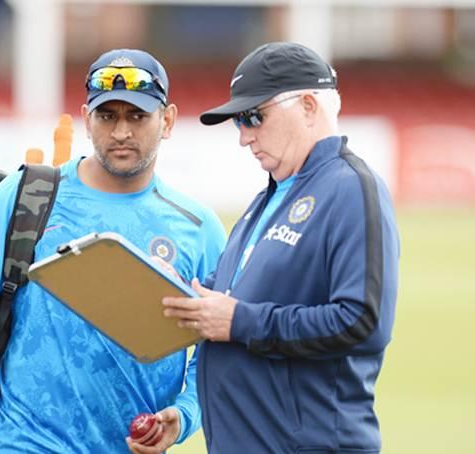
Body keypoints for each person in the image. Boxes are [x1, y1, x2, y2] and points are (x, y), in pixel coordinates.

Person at [0, 48, 227, 454]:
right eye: (107, 116)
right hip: (24, 442)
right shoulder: (29, 195)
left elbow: (217, 352)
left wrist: (184, 416)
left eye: (137, 116)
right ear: (85, 118)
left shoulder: (197, 228)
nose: (120, 132)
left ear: (167, 120)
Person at [162, 42, 400, 453]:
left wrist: (241, 322)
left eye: (255, 117)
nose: (244, 137)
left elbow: (363, 321)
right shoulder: (265, 201)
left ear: (308, 106)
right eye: (239, 122)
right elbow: (221, 304)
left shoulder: (351, 187)